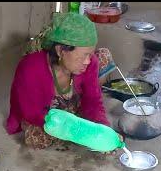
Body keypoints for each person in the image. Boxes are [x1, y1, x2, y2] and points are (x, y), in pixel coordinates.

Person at [6, 12, 111, 149]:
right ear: (61, 50)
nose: (87, 61)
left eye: (90, 54)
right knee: (36, 138)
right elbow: (32, 113)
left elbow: (93, 101)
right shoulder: (30, 69)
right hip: (45, 115)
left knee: (102, 57)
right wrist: (77, 129)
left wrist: (104, 131)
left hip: (72, 105)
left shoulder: (90, 63)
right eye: (83, 56)